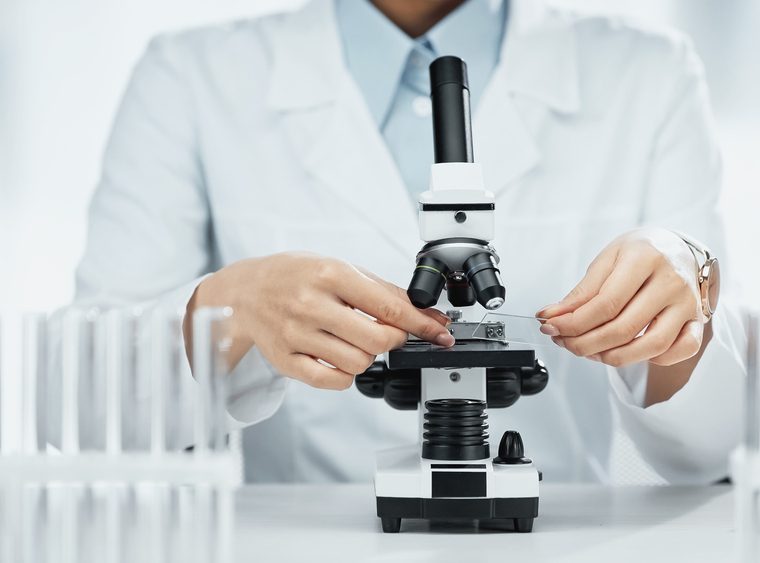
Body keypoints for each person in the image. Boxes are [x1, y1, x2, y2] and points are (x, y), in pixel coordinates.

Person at [73, 0, 747, 483]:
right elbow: (90, 414)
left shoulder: (651, 72)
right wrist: (228, 313)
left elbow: (714, 446)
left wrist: (682, 297)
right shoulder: (189, 75)